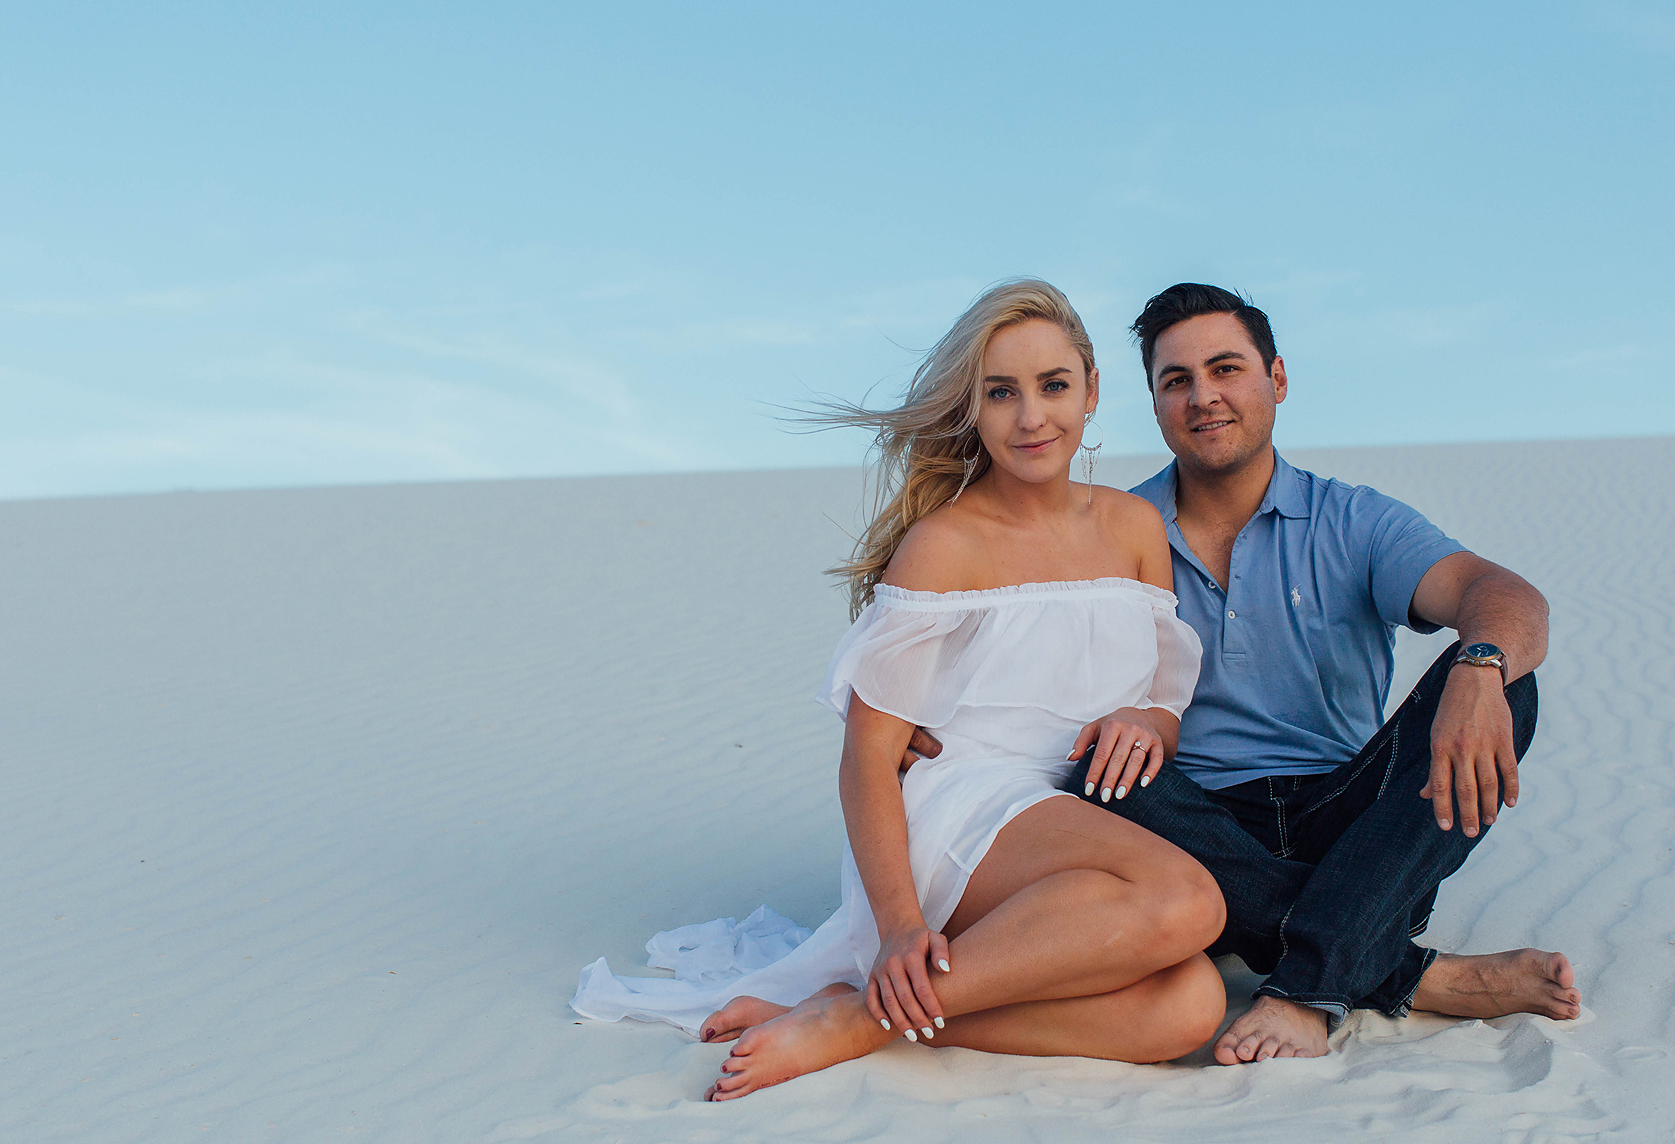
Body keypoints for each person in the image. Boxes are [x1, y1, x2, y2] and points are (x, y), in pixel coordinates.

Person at [572, 279, 1228, 1100]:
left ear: (1092, 392)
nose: (1032, 417)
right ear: (972, 408)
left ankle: (866, 1015)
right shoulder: (946, 545)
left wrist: (1148, 720)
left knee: (1190, 1004)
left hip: (1071, 816)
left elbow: (1162, 696)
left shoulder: (1134, 530)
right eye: (1001, 392)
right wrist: (897, 929)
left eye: (1054, 386)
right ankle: (865, 1013)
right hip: (960, 806)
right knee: (1188, 898)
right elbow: (868, 758)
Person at [905, 283, 1582, 1063]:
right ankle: (1392, 970)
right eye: (1176, 380)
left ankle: (1309, 980)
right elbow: (998, 644)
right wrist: (928, 717)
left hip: (1352, 831)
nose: (1204, 397)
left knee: (1510, 687)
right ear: (1153, 405)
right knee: (1099, 769)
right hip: (1189, 830)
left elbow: (1502, 595)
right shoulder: (1113, 532)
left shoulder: (1353, 520)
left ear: (1277, 379)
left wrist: (1479, 665)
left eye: (1226, 369)